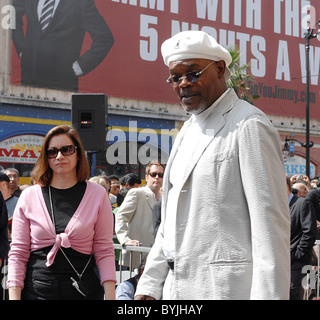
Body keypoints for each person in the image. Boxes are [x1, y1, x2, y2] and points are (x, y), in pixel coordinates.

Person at [135, 30, 290, 300]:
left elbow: (270, 226)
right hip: (175, 289)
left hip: (225, 290)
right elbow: (171, 221)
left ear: (220, 69)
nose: (183, 83)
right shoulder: (186, 130)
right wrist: (150, 284)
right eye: (175, 77)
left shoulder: (249, 125)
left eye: (193, 74)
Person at [7, 125, 116, 300]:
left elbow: (104, 249)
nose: (59, 156)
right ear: (46, 157)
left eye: (67, 149)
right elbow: (18, 252)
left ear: (78, 153)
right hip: (36, 291)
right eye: (52, 151)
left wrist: (111, 296)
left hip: (83, 290)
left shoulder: (97, 194)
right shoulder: (29, 196)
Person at [12, 0, 114, 91]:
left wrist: (80, 67)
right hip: (29, 82)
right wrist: (22, 50)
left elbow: (105, 38)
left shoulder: (82, 2)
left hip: (61, 85)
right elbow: (11, 12)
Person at [115, 160, 164, 269]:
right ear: (147, 177)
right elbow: (121, 217)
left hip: (156, 258)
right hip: (135, 256)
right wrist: (125, 240)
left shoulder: (165, 199)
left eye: (160, 175)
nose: (157, 177)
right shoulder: (136, 193)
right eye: (153, 174)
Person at [287, 176, 317, 300]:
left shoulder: (302, 203)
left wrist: (298, 253)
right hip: (281, 259)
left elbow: (309, 231)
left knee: (293, 292)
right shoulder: (277, 206)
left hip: (297, 259)